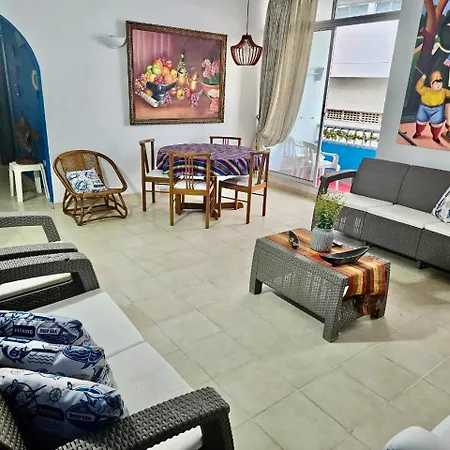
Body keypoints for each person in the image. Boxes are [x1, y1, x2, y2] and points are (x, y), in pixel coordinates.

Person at [414, 70, 450, 144]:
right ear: (431, 84)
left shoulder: (443, 91)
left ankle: (435, 137)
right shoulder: (425, 90)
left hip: (437, 109)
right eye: (436, 83)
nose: (439, 85)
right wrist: (422, 79)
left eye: (440, 83)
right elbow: (418, 88)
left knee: (437, 124)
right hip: (424, 108)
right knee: (421, 122)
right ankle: (418, 133)